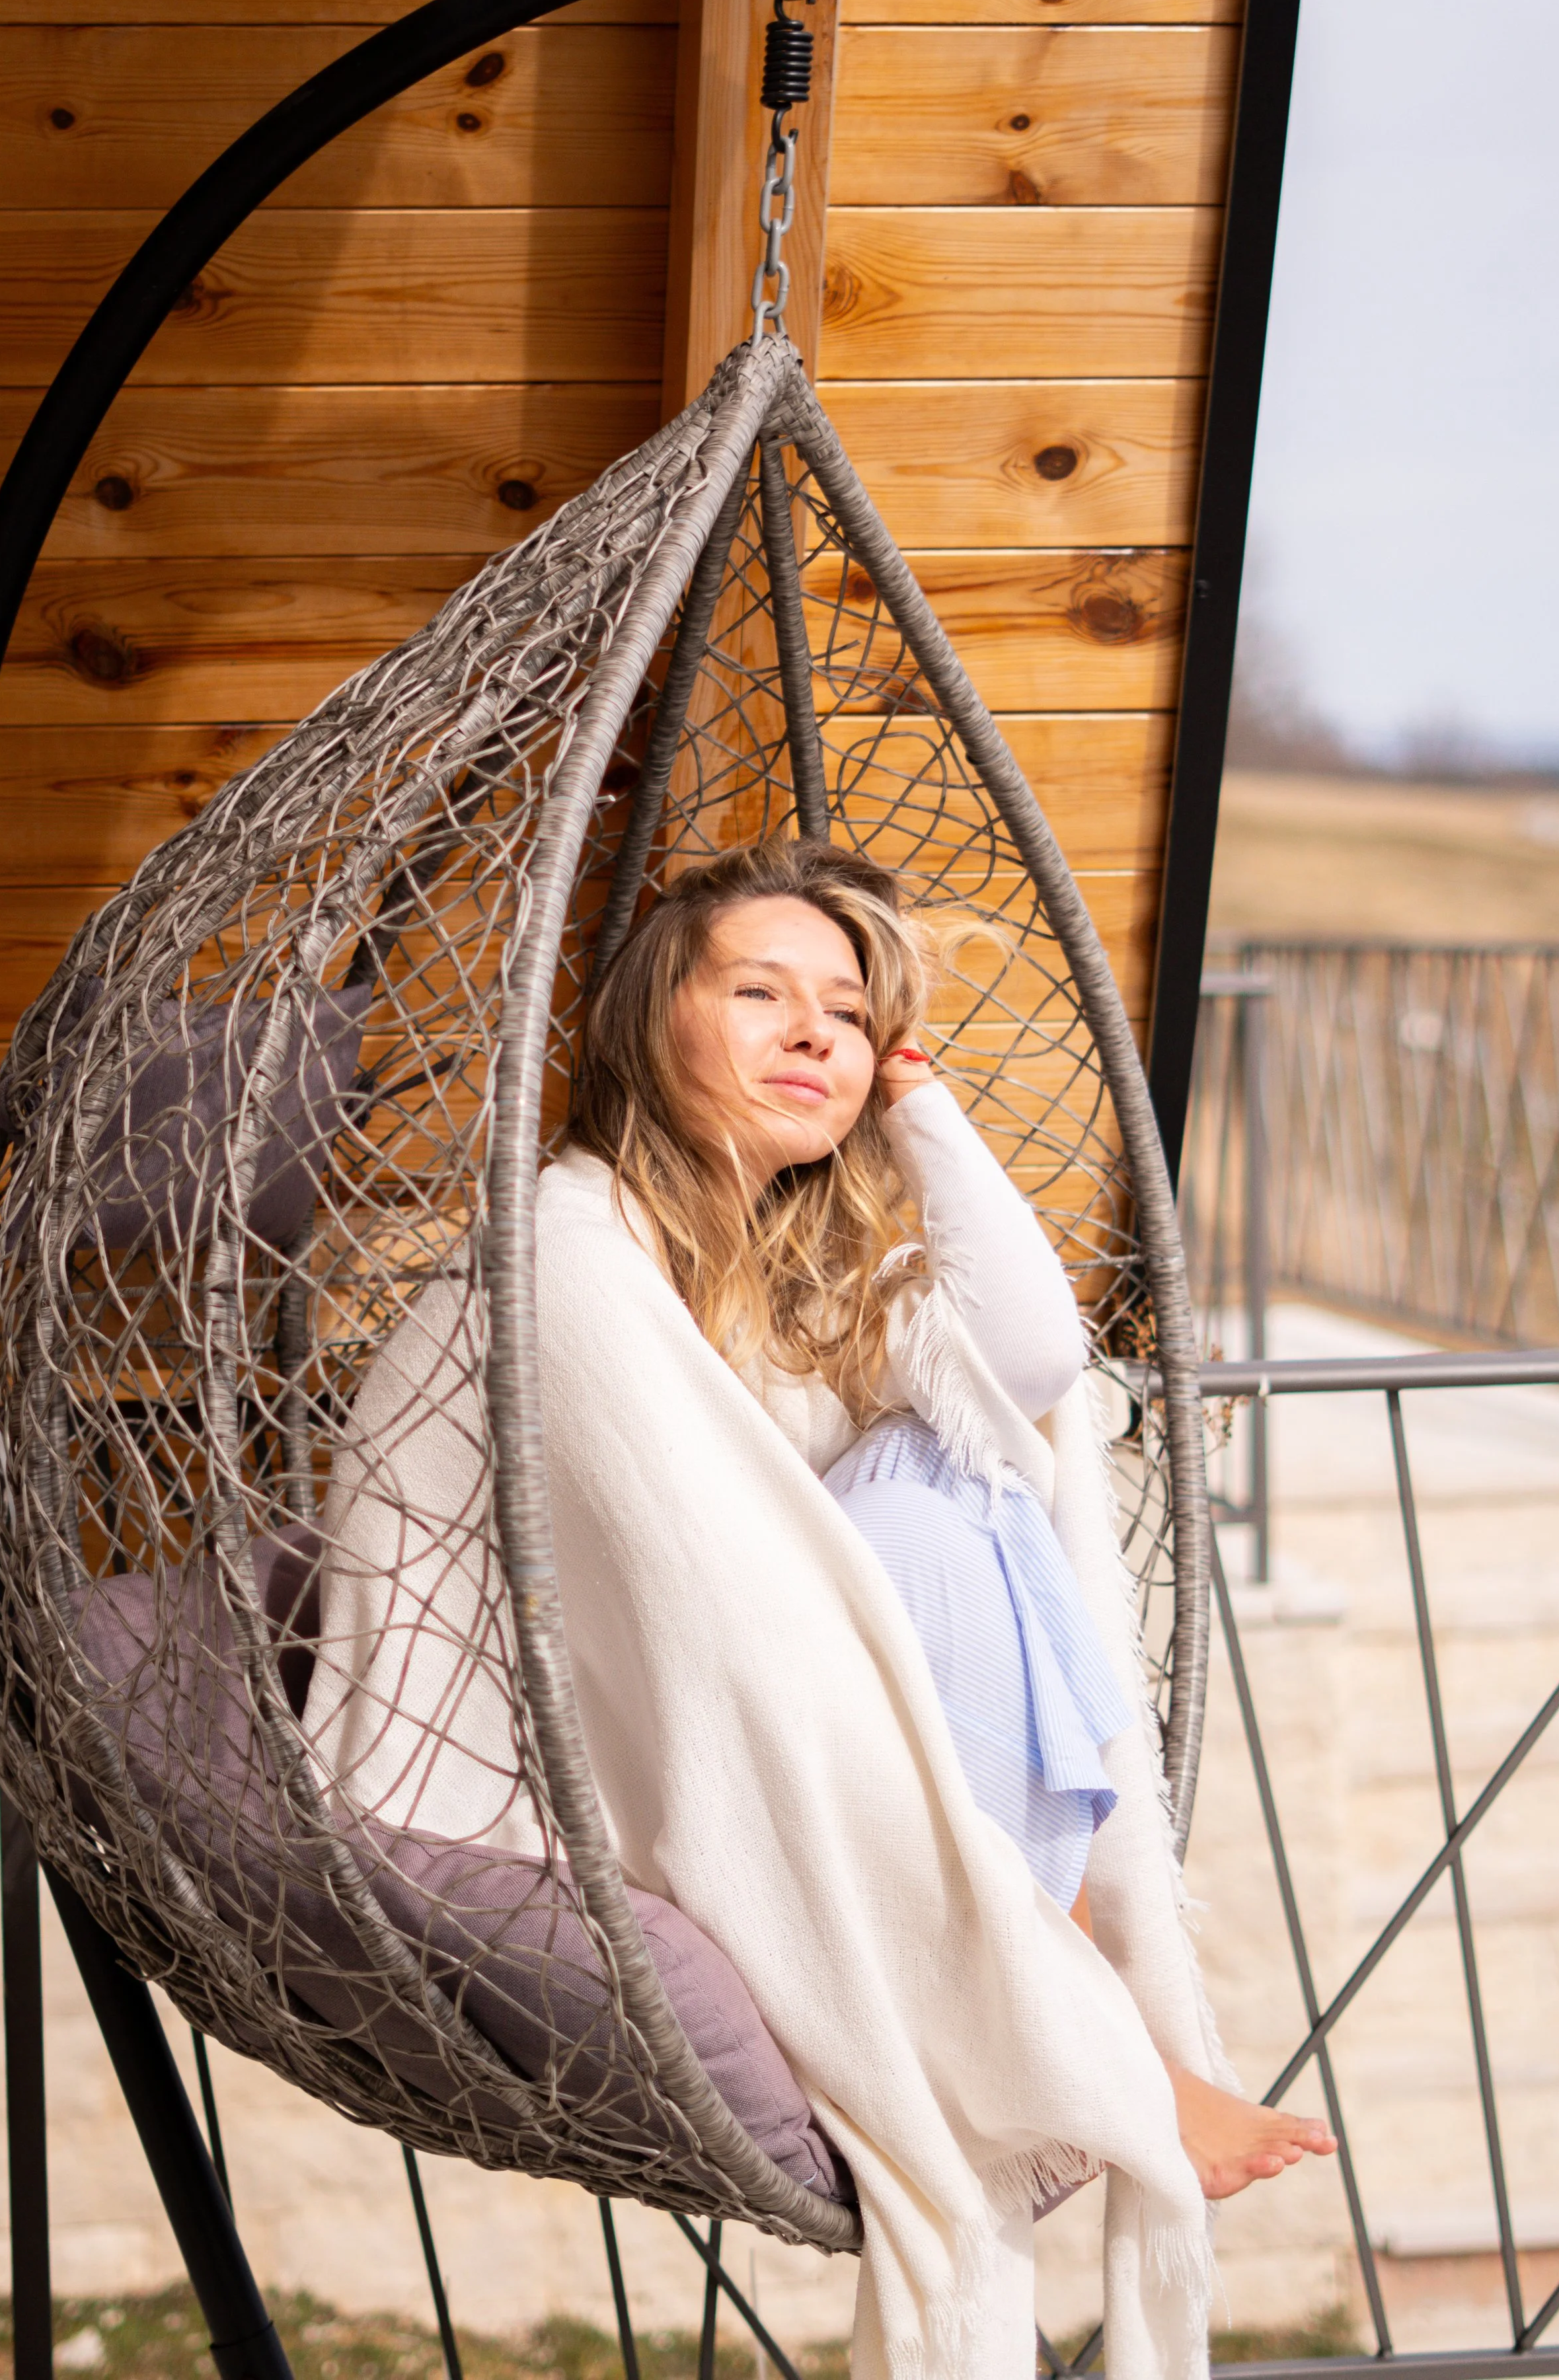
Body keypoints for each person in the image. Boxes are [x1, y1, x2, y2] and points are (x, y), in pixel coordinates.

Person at [563, 834, 1334, 2206]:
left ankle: (1073, 1997)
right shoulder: (576, 1245)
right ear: (646, 1017)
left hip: (795, 1710)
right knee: (932, 1498)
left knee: (959, 1467)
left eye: (850, 1014)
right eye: (758, 994)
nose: (813, 1032)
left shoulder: (806, 1277)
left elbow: (1029, 1357)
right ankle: (1098, 2033)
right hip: (635, 1728)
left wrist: (912, 1095)